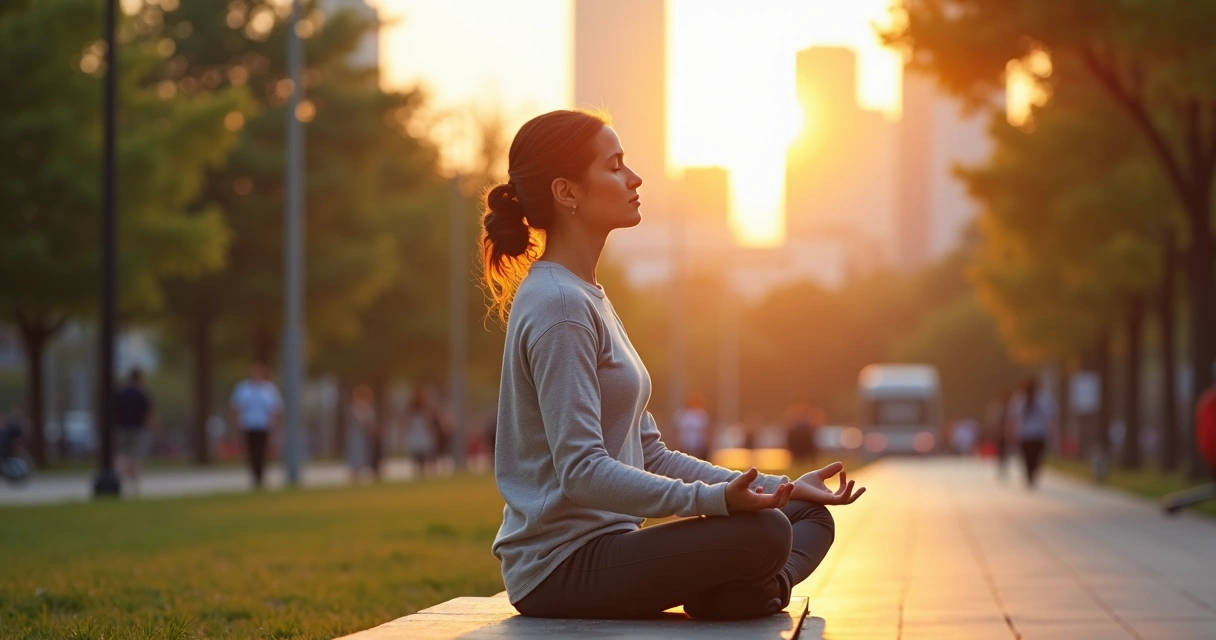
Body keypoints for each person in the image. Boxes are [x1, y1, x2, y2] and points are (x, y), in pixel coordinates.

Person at [482, 110, 866, 621]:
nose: (635, 178)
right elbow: (580, 472)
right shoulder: (560, 305)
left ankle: (747, 591)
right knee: (771, 532)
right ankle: (757, 589)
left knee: (804, 512)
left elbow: (649, 453)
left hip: (610, 546)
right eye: (615, 166)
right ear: (567, 192)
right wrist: (714, 501)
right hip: (562, 569)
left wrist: (778, 488)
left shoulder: (588, 295)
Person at [229, 362, 283, 489]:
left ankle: (260, 476)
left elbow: (276, 409)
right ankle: (255, 476)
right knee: (252, 452)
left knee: (262, 451)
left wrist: (276, 425)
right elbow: (237, 407)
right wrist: (236, 424)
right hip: (249, 425)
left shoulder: (269, 389)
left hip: (264, 425)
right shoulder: (244, 389)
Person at [113, 369, 158, 496]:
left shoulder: (121, 393)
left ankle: (120, 478)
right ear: (139, 379)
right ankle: (135, 485)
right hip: (138, 429)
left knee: (122, 454)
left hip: (121, 428)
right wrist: (155, 428)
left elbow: (113, 411)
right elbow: (149, 413)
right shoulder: (142, 394)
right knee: (136, 456)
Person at [1007, 376, 1057, 489]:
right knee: (1027, 457)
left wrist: (1052, 432)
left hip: (1038, 433)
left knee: (1036, 456)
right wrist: (1012, 432)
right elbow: (1013, 418)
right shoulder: (1019, 399)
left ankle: (1032, 473)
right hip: (1026, 434)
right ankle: (1030, 474)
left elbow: (1050, 417)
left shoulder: (1043, 398)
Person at [345, 385, 379, 483]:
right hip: (357, 436)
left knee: (362, 456)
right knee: (355, 456)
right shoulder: (355, 408)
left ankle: (358, 476)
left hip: (364, 437)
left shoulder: (367, 408)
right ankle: (354, 477)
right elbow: (362, 422)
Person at [402, 386, 438, 478]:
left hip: (423, 434)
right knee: (416, 455)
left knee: (424, 455)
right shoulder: (411, 409)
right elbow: (407, 422)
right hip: (415, 434)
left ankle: (423, 472)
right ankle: (417, 473)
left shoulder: (425, 409)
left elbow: (428, 423)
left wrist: (431, 433)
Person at [672, 391, 711, 460]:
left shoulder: (701, 414)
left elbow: (706, 431)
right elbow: (676, 431)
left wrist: (706, 445)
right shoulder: (681, 414)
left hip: (698, 446)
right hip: (684, 446)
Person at [985, 390, 1012, 480]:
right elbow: (994, 422)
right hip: (1000, 433)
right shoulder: (997, 408)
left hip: (1008, 433)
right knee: (1000, 451)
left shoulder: (1012, 408)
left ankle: (1005, 467)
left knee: (1006, 451)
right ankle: (1001, 467)